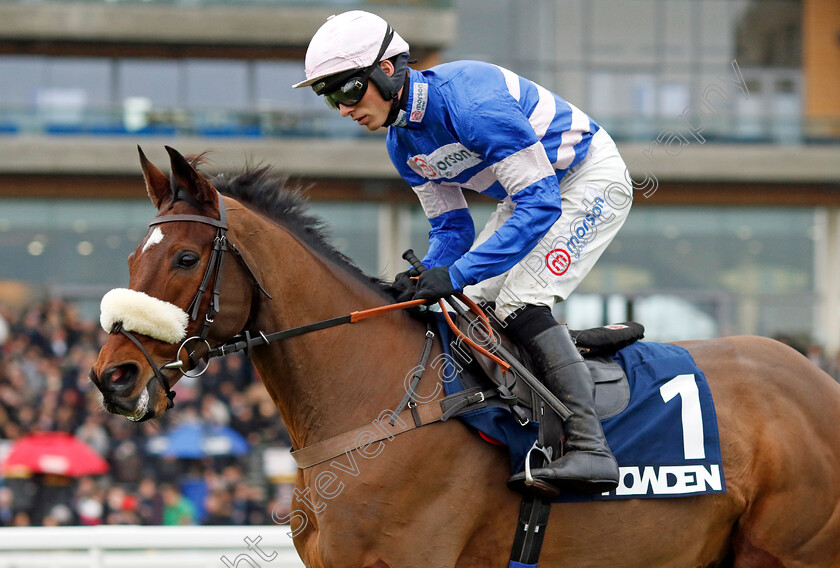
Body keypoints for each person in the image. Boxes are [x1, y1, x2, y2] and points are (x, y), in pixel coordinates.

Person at [293, 11, 632, 497]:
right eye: (329, 98)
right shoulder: (401, 143)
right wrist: (429, 274)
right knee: (471, 304)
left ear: (388, 69)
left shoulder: (473, 104)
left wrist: (456, 272)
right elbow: (452, 227)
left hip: (587, 179)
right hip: (531, 195)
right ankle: (545, 392)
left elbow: (541, 204)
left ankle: (590, 448)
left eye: (347, 90)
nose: (343, 108)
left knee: (519, 301)